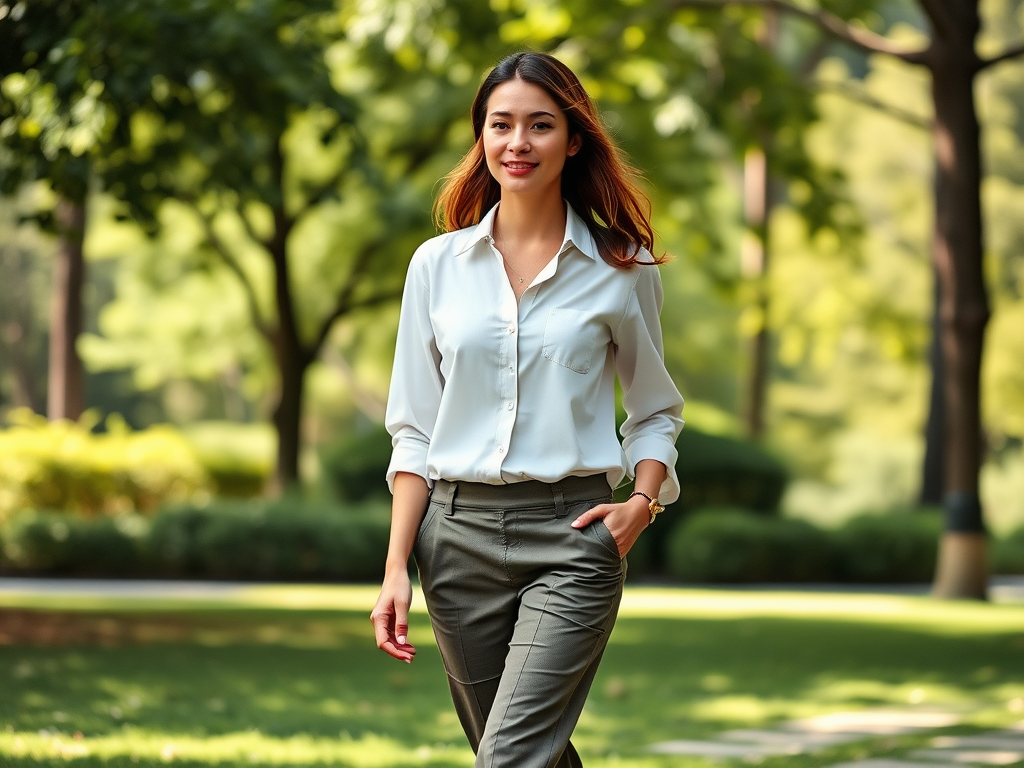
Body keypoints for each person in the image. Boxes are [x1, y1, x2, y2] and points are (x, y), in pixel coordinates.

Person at [370, 51, 684, 768]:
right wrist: (396, 567)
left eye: (540, 125)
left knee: (508, 756)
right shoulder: (436, 266)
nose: (519, 142)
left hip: (573, 538)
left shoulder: (622, 267)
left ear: (573, 140)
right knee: (521, 753)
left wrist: (642, 502)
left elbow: (655, 410)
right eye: (501, 124)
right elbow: (414, 430)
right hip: (454, 543)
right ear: (481, 137)